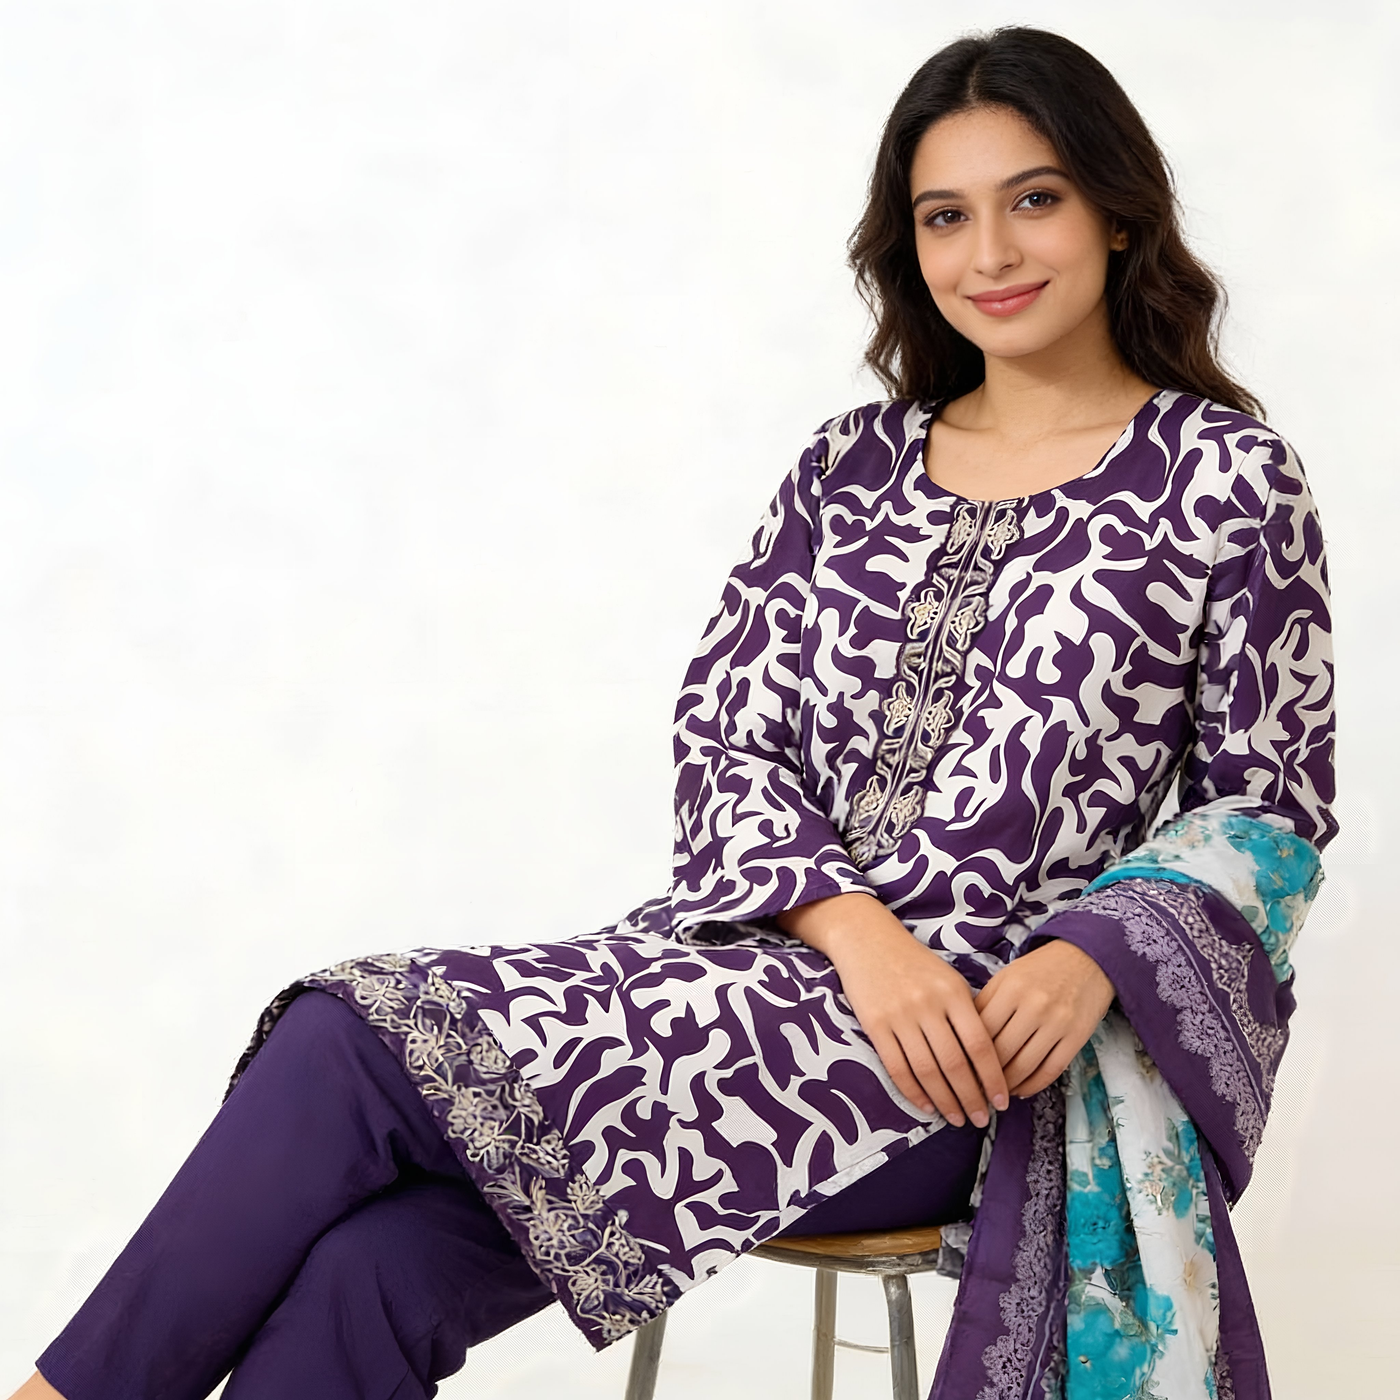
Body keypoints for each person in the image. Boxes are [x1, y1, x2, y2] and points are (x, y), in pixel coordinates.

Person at [10, 25, 1333, 1400]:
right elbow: (729, 732)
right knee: (374, 1270)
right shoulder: (849, 469)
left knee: (346, 1048)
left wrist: (1092, 956)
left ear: (1118, 210)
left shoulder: (1226, 478)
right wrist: (859, 936)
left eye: (1034, 199)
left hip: (972, 1066)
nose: (989, 253)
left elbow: (1273, 805)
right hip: (751, 982)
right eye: (946, 215)